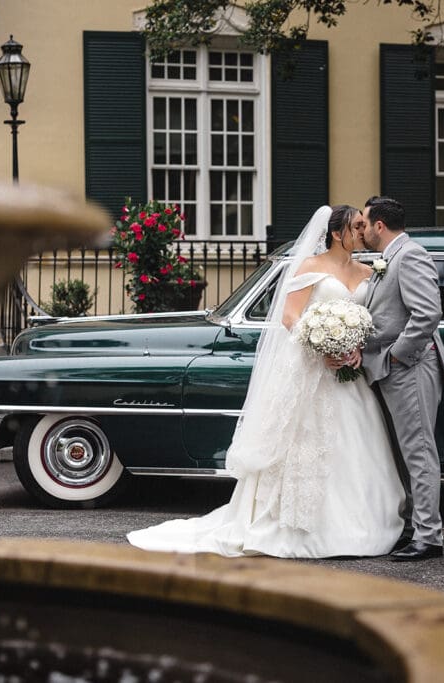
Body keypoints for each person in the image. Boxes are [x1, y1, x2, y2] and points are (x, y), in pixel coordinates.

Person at [127, 205, 405, 558]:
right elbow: (290, 317)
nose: (364, 232)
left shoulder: (368, 271)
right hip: (315, 371)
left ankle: (364, 523)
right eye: (358, 226)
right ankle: (299, 526)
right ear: (338, 233)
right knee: (305, 444)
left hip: (351, 375)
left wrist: (354, 351)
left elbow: (372, 320)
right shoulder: (310, 267)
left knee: (358, 445)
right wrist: (322, 346)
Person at [350, 196, 444, 562]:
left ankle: (429, 536)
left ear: (380, 225)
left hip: (411, 368)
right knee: (404, 454)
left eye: (365, 223)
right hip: (390, 369)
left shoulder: (410, 255)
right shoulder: (388, 258)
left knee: (419, 452)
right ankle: (412, 528)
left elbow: (427, 314)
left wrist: (394, 355)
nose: (361, 230)